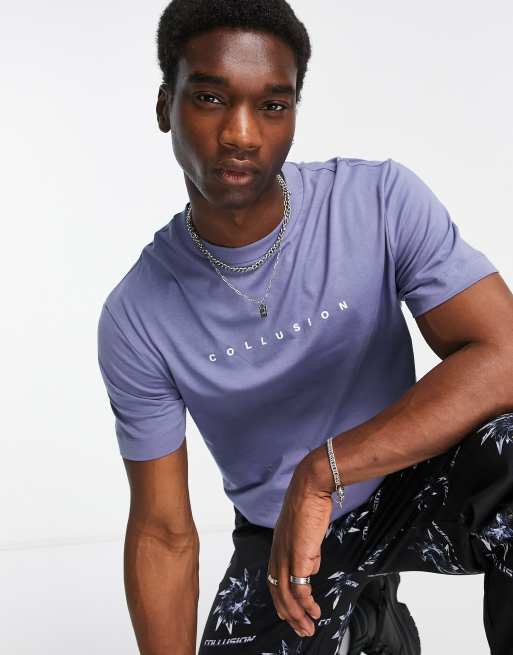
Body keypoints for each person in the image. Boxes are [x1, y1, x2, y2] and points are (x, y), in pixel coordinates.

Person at [96, 1, 513, 654]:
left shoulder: (377, 201)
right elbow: (162, 532)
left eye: (272, 105)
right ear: (164, 106)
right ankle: (367, 621)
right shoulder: (137, 314)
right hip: (281, 539)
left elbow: (505, 353)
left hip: (411, 481)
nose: (241, 134)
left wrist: (325, 471)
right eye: (210, 98)